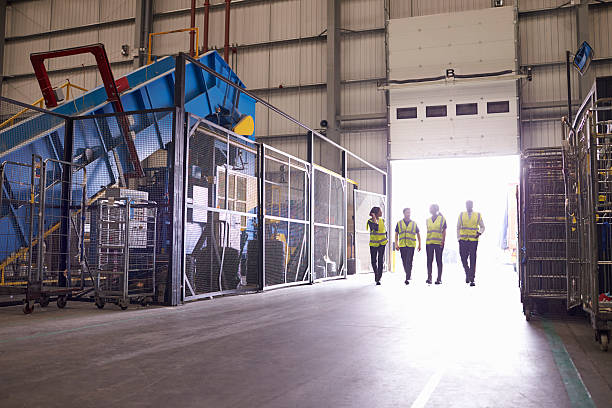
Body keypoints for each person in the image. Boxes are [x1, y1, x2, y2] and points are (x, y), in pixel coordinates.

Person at [457, 200, 485, 287]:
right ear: (465, 205)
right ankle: (467, 272)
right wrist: (458, 238)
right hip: (463, 240)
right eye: (467, 205)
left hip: (473, 240)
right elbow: (458, 227)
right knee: (463, 257)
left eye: (470, 205)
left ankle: (472, 278)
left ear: (472, 205)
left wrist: (479, 233)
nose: (468, 206)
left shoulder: (477, 215)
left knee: (473, 259)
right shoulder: (461, 214)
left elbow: (482, 226)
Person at [394, 208, 421, 285]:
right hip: (402, 245)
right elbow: (396, 234)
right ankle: (408, 273)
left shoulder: (414, 223)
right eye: (407, 212)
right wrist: (396, 244)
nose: (408, 214)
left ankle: (407, 277)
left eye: (409, 212)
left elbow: (418, 234)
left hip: (411, 245)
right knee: (404, 261)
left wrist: (419, 244)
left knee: (409, 260)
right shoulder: (399, 223)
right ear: (404, 213)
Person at [425, 204, 446, 285]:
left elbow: (444, 231)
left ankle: (439, 279)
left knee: (439, 261)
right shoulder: (427, 220)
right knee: (429, 261)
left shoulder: (442, 219)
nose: (430, 209)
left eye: (431, 208)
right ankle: (429, 278)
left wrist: (443, 241)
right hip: (429, 243)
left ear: (435, 209)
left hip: (438, 243)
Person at [367, 206, 387, 285]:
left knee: (380, 260)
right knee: (373, 261)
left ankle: (378, 278)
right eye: (380, 211)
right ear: (376, 213)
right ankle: (376, 273)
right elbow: (375, 227)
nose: (381, 212)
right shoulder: (370, 221)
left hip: (382, 243)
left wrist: (386, 239)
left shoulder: (382, 220)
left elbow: (384, 230)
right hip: (373, 244)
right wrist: (374, 217)